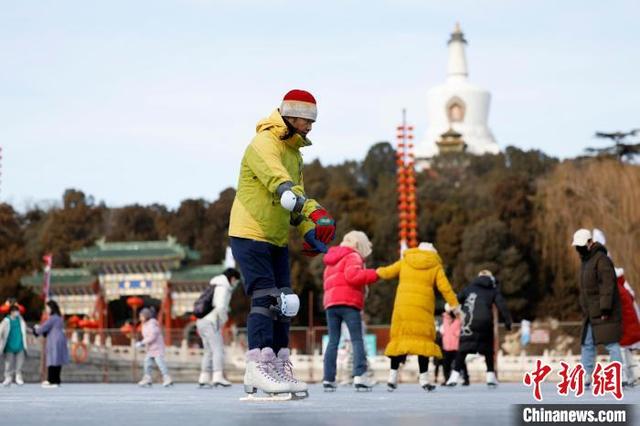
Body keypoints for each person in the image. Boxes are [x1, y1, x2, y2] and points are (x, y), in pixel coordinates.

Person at [228, 89, 335, 398]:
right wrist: (303, 203)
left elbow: (296, 197)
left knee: (287, 302)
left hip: (275, 235)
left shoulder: (295, 154)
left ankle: (276, 365)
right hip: (249, 231)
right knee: (265, 297)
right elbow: (281, 185)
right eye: (307, 119)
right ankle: (256, 365)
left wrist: (311, 224)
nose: (311, 126)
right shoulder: (263, 143)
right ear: (291, 115)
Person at [377, 242, 460, 392]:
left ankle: (392, 378)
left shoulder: (405, 261)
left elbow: (387, 272)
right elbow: (445, 288)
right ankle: (424, 380)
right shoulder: (435, 266)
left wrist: (372, 273)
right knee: (423, 344)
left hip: (403, 308)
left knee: (399, 342)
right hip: (423, 309)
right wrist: (455, 305)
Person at [321, 230, 379, 391]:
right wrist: (375, 274)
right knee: (357, 339)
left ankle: (328, 379)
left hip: (331, 303)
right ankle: (360, 375)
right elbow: (353, 276)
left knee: (333, 340)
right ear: (358, 244)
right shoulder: (353, 256)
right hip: (349, 301)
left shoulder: (332, 259)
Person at [571, 228, 623, 386]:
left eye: (580, 246)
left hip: (604, 311)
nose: (578, 249)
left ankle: (616, 376)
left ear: (589, 242)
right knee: (587, 343)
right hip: (590, 312)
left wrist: (605, 308)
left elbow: (608, 286)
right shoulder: (586, 261)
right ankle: (586, 375)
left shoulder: (601, 260)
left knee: (611, 343)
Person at [446, 270, 512, 387]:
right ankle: (490, 378)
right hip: (485, 322)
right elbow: (502, 305)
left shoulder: (468, 288)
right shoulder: (493, 290)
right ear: (491, 279)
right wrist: (507, 322)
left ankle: (453, 377)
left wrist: (451, 313)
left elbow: (455, 301)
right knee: (487, 350)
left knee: (463, 349)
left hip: (469, 322)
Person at [196, 267, 241, 388]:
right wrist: (224, 318)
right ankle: (218, 376)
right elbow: (220, 306)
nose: (235, 284)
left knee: (208, 351)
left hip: (201, 321)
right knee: (218, 349)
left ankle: (204, 377)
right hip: (211, 321)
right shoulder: (223, 287)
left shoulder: (214, 284)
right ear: (232, 279)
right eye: (236, 281)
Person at [33, 300, 70, 388]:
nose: (47, 310)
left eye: (47, 308)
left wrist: (36, 330)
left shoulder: (53, 318)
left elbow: (44, 327)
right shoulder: (59, 317)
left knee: (52, 359)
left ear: (51, 308)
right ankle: (56, 380)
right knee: (57, 359)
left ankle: (51, 380)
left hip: (54, 339)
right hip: (60, 338)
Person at [136, 307, 172, 387]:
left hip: (157, 348)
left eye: (141, 316)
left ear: (146, 316)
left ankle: (167, 378)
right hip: (150, 349)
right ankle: (147, 378)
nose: (140, 318)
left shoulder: (152, 324)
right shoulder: (144, 325)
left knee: (160, 363)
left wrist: (142, 342)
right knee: (147, 363)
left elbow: (152, 336)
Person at [615, 268, 640, 386]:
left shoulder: (617, 290)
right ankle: (633, 376)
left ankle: (624, 377)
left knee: (621, 349)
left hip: (624, 325)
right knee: (627, 349)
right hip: (631, 324)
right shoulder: (624, 288)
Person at [0, 304, 28, 386]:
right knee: (8, 363)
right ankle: (8, 378)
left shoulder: (21, 320)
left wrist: (34, 330)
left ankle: (18, 377)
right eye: (16, 311)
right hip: (9, 345)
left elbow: (25, 329)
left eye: (18, 311)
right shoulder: (6, 321)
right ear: (11, 312)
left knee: (19, 363)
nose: (18, 313)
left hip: (20, 345)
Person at [440, 303, 461, 386]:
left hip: (456, 344)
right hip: (446, 345)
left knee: (460, 363)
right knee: (446, 364)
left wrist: (457, 334)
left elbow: (461, 328)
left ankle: (464, 378)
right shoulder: (445, 318)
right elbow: (443, 329)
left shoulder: (459, 318)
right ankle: (447, 379)